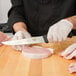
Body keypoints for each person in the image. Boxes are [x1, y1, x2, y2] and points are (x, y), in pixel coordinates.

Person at [7, 0, 76, 50]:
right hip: (31, 42)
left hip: (69, 42)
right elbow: (17, 11)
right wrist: (20, 30)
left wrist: (69, 22)